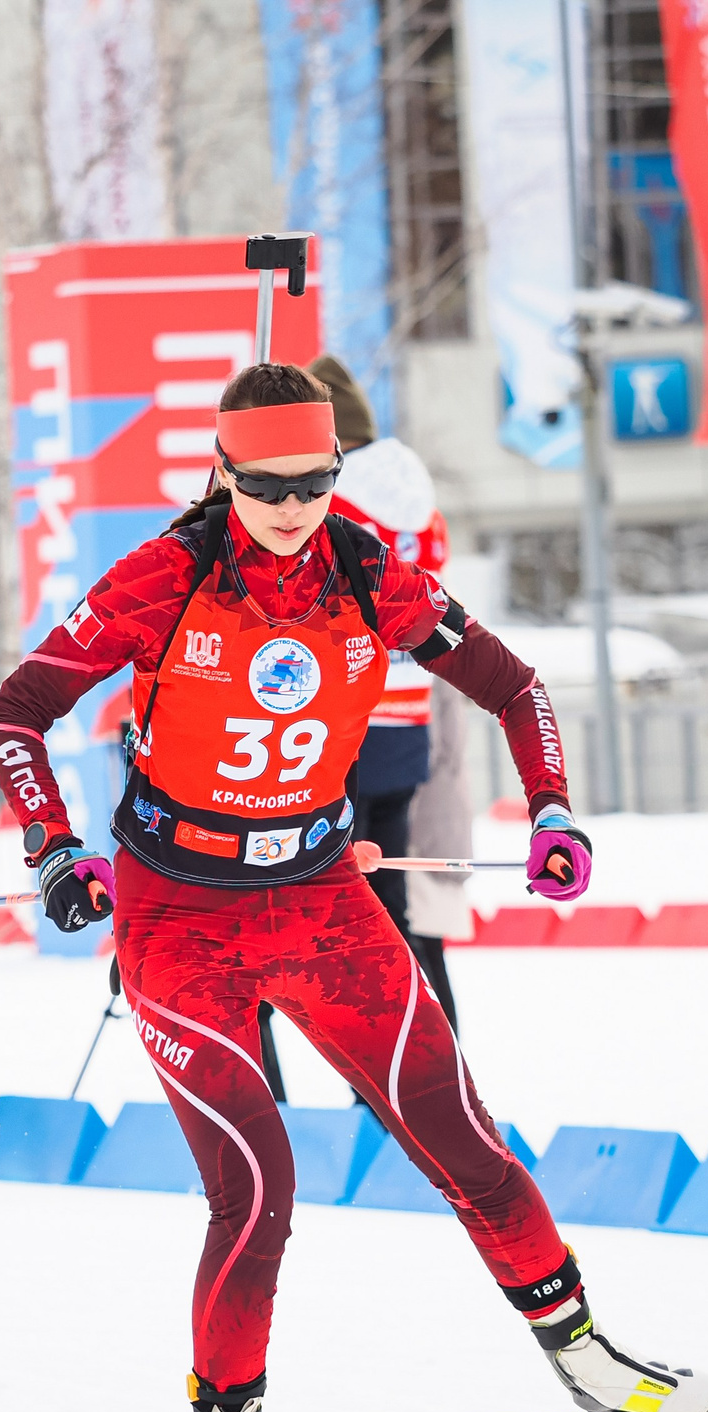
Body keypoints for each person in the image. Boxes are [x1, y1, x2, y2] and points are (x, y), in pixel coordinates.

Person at [0, 364, 708, 1412]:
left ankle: (590, 1361)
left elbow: (516, 688)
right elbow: (15, 711)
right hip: (181, 921)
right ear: (223, 473)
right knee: (256, 1190)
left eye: (316, 479)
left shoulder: (365, 567)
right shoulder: (161, 576)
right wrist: (52, 851)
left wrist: (552, 809)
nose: (293, 505)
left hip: (325, 901)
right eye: (269, 483)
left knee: (465, 1138)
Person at [306, 354, 460, 1030]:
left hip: (342, 719)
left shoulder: (330, 498)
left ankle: (372, 1078)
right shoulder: (419, 501)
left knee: (331, 912)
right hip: (408, 715)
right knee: (391, 906)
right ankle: (429, 1066)